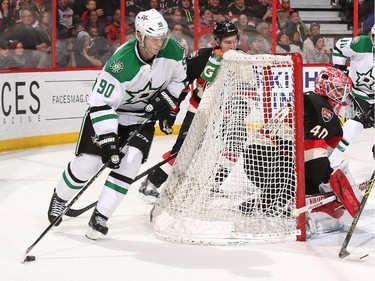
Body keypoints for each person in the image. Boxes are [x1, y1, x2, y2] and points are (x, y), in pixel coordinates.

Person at [47, 9, 187, 240]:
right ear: (140, 36)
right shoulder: (120, 64)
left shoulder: (172, 51)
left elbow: (178, 79)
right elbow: (100, 103)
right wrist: (109, 142)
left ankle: (101, 216)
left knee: (130, 162)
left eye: (162, 37)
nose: (159, 43)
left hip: (140, 118)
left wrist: (169, 100)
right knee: (89, 164)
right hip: (110, 114)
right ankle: (60, 197)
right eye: (154, 38)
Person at [240, 67, 361, 236]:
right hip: (271, 162)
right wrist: (327, 178)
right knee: (306, 183)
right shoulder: (321, 107)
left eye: (343, 91)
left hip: (257, 161)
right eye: (338, 89)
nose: (341, 95)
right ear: (324, 87)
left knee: (302, 183)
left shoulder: (306, 100)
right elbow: (312, 157)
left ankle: (267, 200)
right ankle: (275, 202)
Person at [138, 20, 239, 200]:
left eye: (234, 41)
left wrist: (240, 108)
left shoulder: (241, 59)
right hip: (199, 112)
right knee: (184, 151)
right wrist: (171, 111)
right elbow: (181, 85)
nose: (232, 46)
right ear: (217, 41)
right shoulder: (202, 57)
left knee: (234, 146)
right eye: (228, 42)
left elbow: (247, 88)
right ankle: (152, 181)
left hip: (226, 113)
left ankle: (213, 185)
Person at [329, 25, 375, 165]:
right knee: (351, 129)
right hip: (359, 95)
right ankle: (329, 162)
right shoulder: (361, 44)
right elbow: (338, 47)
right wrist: (341, 72)